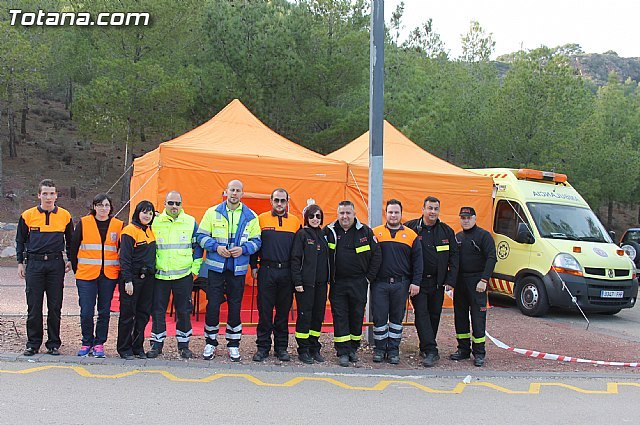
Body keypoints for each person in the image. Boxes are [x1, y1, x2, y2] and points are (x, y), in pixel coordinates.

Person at [197, 180, 261, 361]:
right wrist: (216, 247)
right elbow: (200, 236)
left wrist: (244, 249)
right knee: (213, 305)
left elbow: (257, 241)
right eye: (232, 190)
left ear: (242, 193)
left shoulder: (251, 216)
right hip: (216, 268)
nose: (234, 193)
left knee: (235, 307)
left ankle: (233, 345)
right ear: (226, 192)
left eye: (238, 190)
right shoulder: (212, 212)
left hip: (237, 269)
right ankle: (210, 342)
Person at [16, 179, 73, 356]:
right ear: (39, 195)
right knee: (33, 306)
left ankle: (53, 344)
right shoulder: (28, 215)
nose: (49, 197)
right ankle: (33, 343)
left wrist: (70, 259)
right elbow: (20, 240)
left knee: (55, 306)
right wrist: (20, 262)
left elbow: (70, 240)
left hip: (56, 265)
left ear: (56, 195)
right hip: (34, 264)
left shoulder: (65, 215)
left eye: (52, 193)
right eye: (45, 193)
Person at [325, 200, 381, 367]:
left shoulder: (365, 232)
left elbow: (376, 256)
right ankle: (342, 352)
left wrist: (368, 278)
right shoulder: (329, 231)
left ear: (355, 214)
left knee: (356, 316)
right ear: (337, 214)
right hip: (338, 283)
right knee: (340, 317)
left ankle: (353, 349)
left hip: (359, 282)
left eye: (348, 213)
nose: (345, 216)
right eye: (342, 213)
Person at [148, 191, 203, 360]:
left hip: (183, 275)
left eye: (177, 203)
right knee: (157, 311)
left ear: (181, 204)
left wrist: (195, 269)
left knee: (184, 311)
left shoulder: (190, 222)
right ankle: (156, 345)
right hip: (160, 276)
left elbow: (199, 246)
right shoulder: (155, 222)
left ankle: (184, 345)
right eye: (170, 203)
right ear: (164, 204)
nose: (174, 206)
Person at [405, 196, 458, 367]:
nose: (433, 212)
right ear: (423, 209)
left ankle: (425, 346)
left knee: (434, 315)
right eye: (430, 208)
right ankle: (432, 350)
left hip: (438, 283)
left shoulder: (446, 231)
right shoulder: (411, 228)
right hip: (418, 283)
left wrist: (450, 280)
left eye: (436, 209)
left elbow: (454, 257)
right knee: (421, 315)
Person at [69, 193, 124, 358]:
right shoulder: (84, 223)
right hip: (86, 275)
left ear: (110, 207)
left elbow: (123, 249)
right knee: (86, 311)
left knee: (104, 311)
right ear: (94, 207)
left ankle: (99, 343)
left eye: (106, 205)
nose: (103, 208)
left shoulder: (118, 225)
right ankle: (87, 342)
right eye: (100, 205)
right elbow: (73, 248)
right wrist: (76, 270)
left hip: (108, 275)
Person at [250, 188, 301, 362]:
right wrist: (253, 266)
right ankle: (262, 347)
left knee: (282, 313)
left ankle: (281, 348)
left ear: (287, 202)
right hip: (267, 271)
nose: (279, 204)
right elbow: (254, 243)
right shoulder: (261, 219)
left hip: (286, 273)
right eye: (276, 200)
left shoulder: (295, 222)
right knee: (264, 312)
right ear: (271, 201)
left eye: (283, 201)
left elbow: (298, 251)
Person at [371, 199, 423, 365]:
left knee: (396, 319)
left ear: (401, 214)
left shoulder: (411, 235)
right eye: (390, 212)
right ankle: (379, 349)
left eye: (396, 212)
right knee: (379, 319)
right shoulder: (376, 233)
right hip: (380, 284)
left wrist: (416, 282)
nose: (393, 215)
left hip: (401, 284)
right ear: (386, 214)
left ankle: (393, 350)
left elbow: (418, 262)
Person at [450, 206, 497, 367]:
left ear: (475, 218)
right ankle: (463, 349)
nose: (466, 220)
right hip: (460, 282)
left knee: (478, 318)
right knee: (460, 317)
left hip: (477, 282)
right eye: (463, 217)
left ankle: (479, 353)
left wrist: (484, 280)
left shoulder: (484, 236)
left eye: (468, 217)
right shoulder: (457, 237)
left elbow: (492, 258)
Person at [290, 204, 330, 364]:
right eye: (312, 216)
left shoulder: (324, 235)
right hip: (305, 285)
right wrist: (297, 282)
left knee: (317, 317)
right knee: (304, 316)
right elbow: (295, 259)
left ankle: (314, 347)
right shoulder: (301, 235)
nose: (315, 219)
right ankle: (303, 349)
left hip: (321, 284)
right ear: (307, 217)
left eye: (318, 216)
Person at [117, 200, 156, 360]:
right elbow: (125, 258)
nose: (147, 215)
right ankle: (124, 347)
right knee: (128, 314)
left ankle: (137, 346)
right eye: (144, 212)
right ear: (137, 213)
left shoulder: (150, 231)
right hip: (132, 278)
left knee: (143, 314)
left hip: (148, 279)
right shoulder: (129, 231)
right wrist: (128, 280)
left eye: (150, 213)